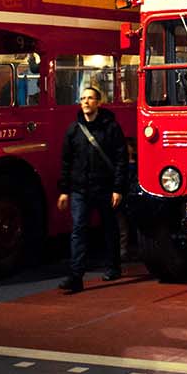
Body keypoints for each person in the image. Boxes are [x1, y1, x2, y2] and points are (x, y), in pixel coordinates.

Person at [57, 85, 129, 294]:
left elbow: (120, 159)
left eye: (90, 98)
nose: (86, 102)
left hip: (105, 187)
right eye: (83, 98)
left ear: (99, 102)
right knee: (78, 229)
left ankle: (113, 266)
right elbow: (66, 162)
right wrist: (64, 191)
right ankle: (76, 276)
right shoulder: (73, 130)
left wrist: (117, 188)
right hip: (80, 189)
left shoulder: (111, 128)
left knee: (109, 228)